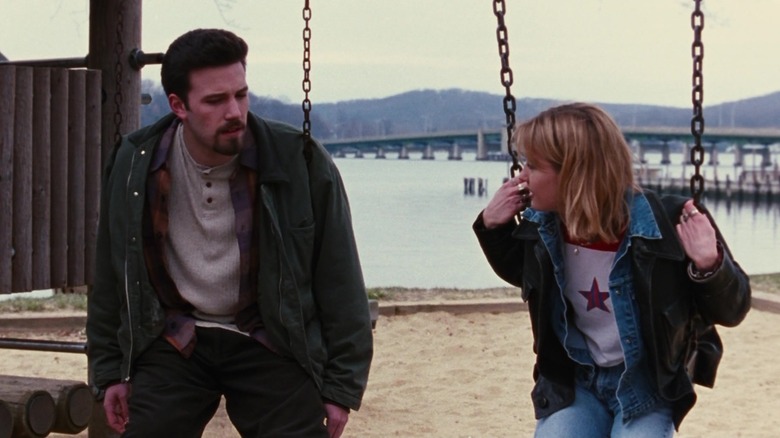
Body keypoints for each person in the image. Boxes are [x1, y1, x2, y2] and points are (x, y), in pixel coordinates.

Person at [87, 28, 373, 438]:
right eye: (216, 100)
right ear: (178, 105)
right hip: (174, 335)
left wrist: (340, 387)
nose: (235, 112)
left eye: (241, 94)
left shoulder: (300, 160)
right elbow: (112, 272)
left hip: (269, 335)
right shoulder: (136, 161)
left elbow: (340, 278)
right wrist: (111, 369)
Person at [473, 102, 750, 437]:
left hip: (646, 384)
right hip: (576, 382)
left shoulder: (671, 223)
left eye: (532, 165)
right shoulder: (542, 227)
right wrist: (491, 226)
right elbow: (525, 275)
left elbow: (732, 310)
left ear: (575, 173)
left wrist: (710, 265)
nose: (521, 176)